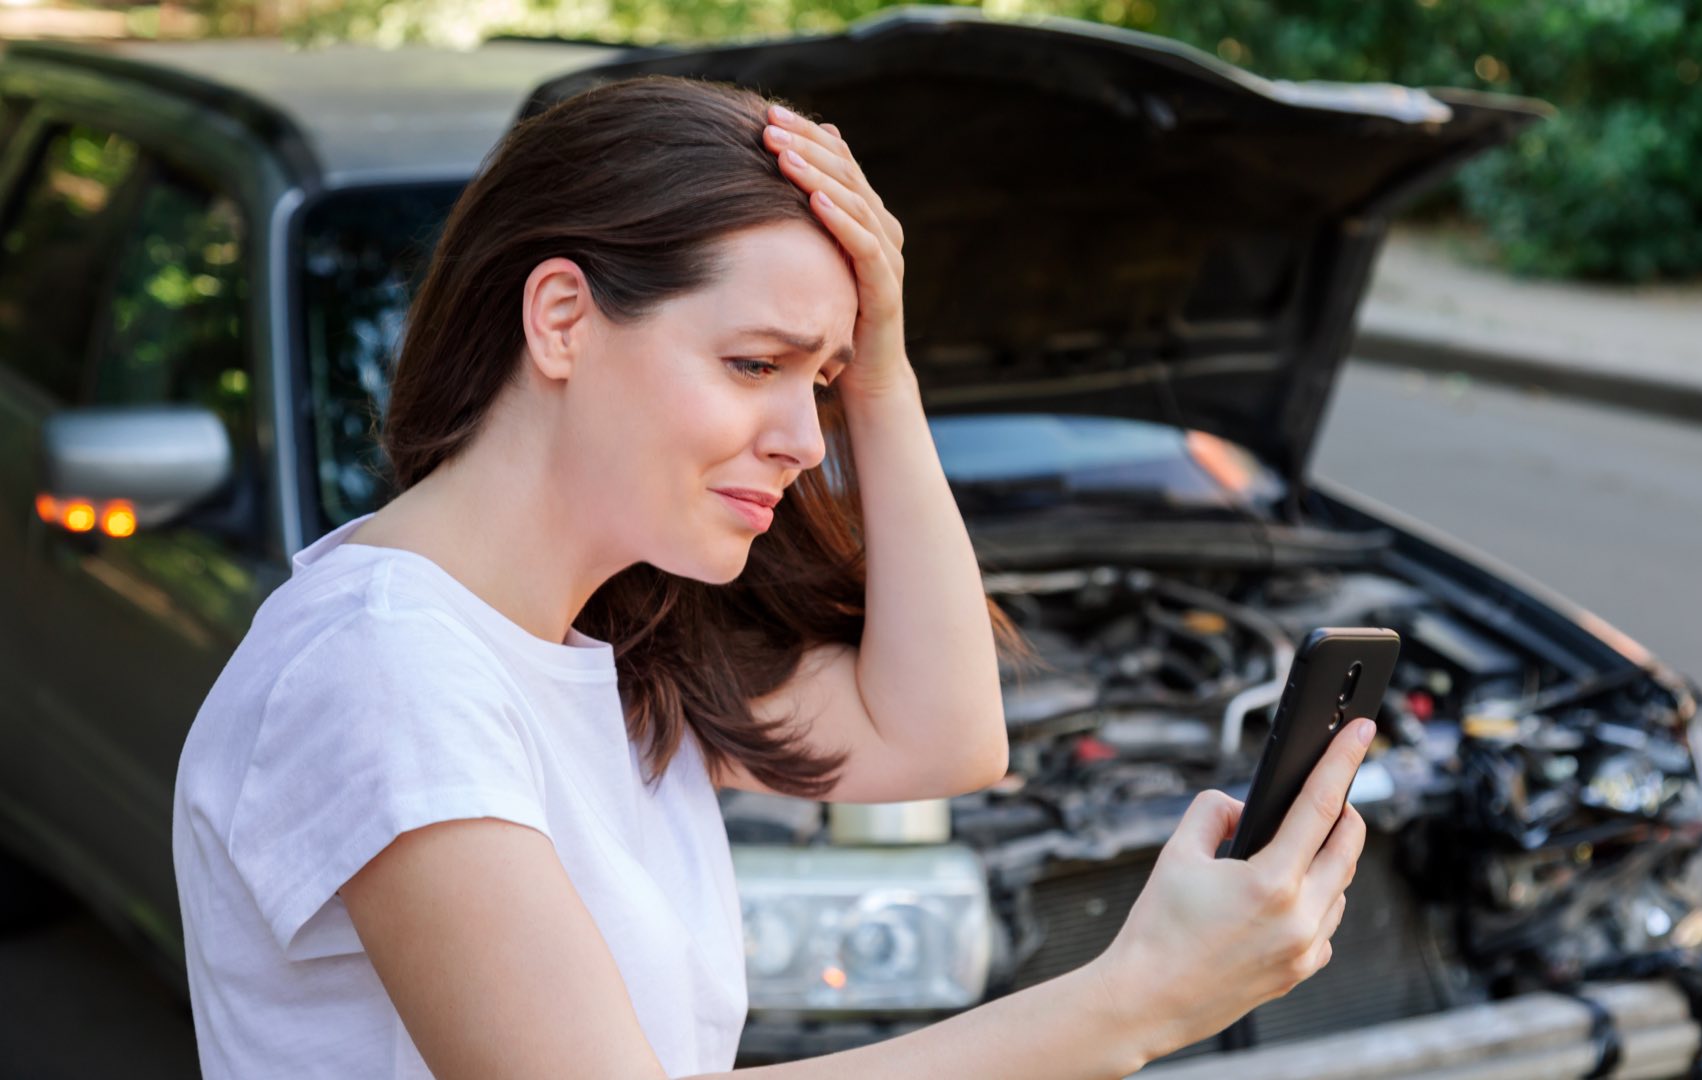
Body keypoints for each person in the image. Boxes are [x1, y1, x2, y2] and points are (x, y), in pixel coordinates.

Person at [170, 73, 1370, 1079]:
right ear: (561, 319)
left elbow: (946, 733)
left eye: (822, 382)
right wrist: (1137, 1002)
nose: (807, 437)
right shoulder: (383, 668)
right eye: (755, 363)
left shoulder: (606, 647)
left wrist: (884, 375)